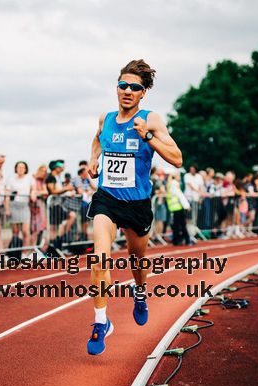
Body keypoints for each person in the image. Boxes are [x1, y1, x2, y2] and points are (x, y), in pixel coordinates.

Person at [86, 59, 182, 355]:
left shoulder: (150, 119)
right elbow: (97, 139)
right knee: (100, 258)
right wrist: (93, 159)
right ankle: (101, 322)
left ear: (143, 93)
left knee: (137, 260)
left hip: (137, 202)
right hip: (107, 199)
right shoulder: (106, 119)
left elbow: (177, 158)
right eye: (123, 85)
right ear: (116, 88)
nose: (127, 91)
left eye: (135, 87)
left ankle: (140, 292)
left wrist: (148, 137)